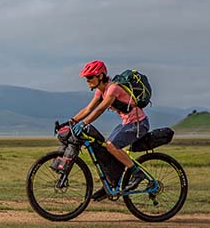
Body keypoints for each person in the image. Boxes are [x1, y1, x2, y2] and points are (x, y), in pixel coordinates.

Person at [63, 60, 148, 191]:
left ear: (100, 76)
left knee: (111, 145)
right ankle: (112, 182)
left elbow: (100, 109)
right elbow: (88, 109)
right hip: (127, 123)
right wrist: (71, 121)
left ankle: (137, 173)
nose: (87, 80)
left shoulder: (112, 89)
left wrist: (84, 123)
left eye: (90, 77)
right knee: (105, 147)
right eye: (86, 78)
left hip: (138, 124)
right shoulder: (100, 91)